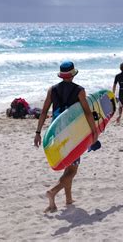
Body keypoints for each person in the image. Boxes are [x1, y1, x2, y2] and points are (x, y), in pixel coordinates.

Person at [33, 61, 98, 213]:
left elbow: (43, 112)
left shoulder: (52, 90)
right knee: (72, 170)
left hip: (56, 132)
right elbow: (88, 113)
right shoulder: (79, 90)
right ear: (73, 74)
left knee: (68, 164)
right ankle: (53, 192)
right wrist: (94, 132)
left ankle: (68, 199)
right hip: (73, 133)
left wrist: (37, 133)